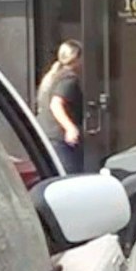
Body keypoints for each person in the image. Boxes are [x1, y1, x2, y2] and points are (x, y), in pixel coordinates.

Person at [36, 39, 86, 174]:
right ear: (77, 58)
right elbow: (56, 104)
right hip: (59, 137)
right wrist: (70, 128)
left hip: (48, 134)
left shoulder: (54, 76)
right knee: (70, 177)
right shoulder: (69, 78)